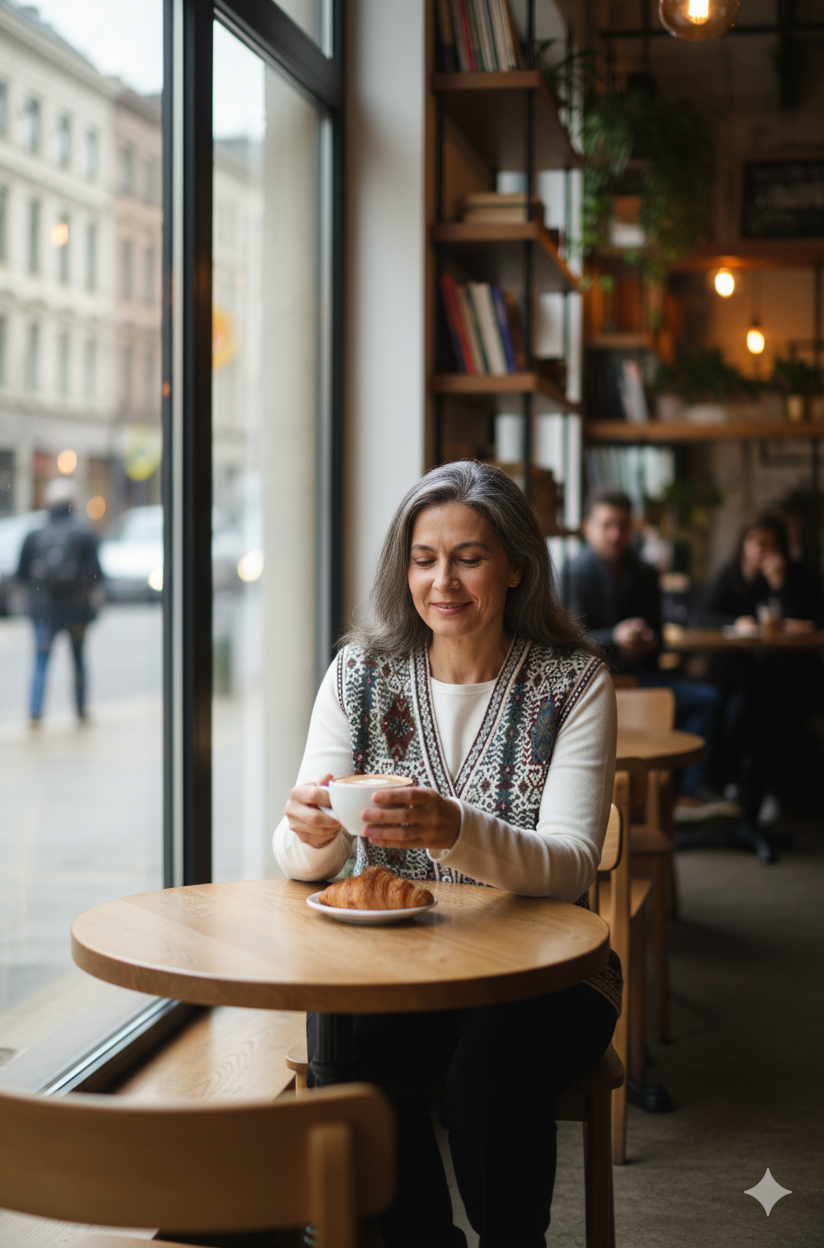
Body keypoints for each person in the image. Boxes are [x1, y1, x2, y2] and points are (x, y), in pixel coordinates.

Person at [273, 461, 620, 1248]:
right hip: (397, 970)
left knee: (486, 1087)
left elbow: (572, 865)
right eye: (424, 559)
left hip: (547, 973)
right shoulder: (359, 675)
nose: (443, 582)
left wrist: (454, 827)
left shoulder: (573, 683)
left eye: (469, 558)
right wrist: (311, 833)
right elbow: (302, 857)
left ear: (516, 567)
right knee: (355, 1070)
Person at [561, 487, 728, 818]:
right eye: (607, 525)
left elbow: (660, 641)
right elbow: (568, 643)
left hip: (641, 676)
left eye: (622, 526)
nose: (616, 534)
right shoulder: (574, 572)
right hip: (595, 685)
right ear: (587, 527)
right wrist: (616, 638)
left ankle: (687, 794)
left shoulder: (645, 573)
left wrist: (647, 642)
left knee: (709, 698)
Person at [696, 511, 823, 819]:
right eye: (754, 542)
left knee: (774, 708)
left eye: (767, 543)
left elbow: (810, 622)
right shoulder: (732, 574)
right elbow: (700, 616)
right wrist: (735, 621)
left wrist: (779, 585)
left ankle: (770, 790)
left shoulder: (796, 575)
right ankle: (734, 783)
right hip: (737, 671)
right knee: (735, 705)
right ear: (743, 544)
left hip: (786, 670)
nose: (759, 550)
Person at [17, 477, 102, 727]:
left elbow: (22, 574)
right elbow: (96, 574)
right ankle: (81, 710)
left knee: (41, 661)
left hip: (43, 609)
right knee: (78, 660)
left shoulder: (35, 534)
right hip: (76, 609)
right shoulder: (84, 533)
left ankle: (35, 714)